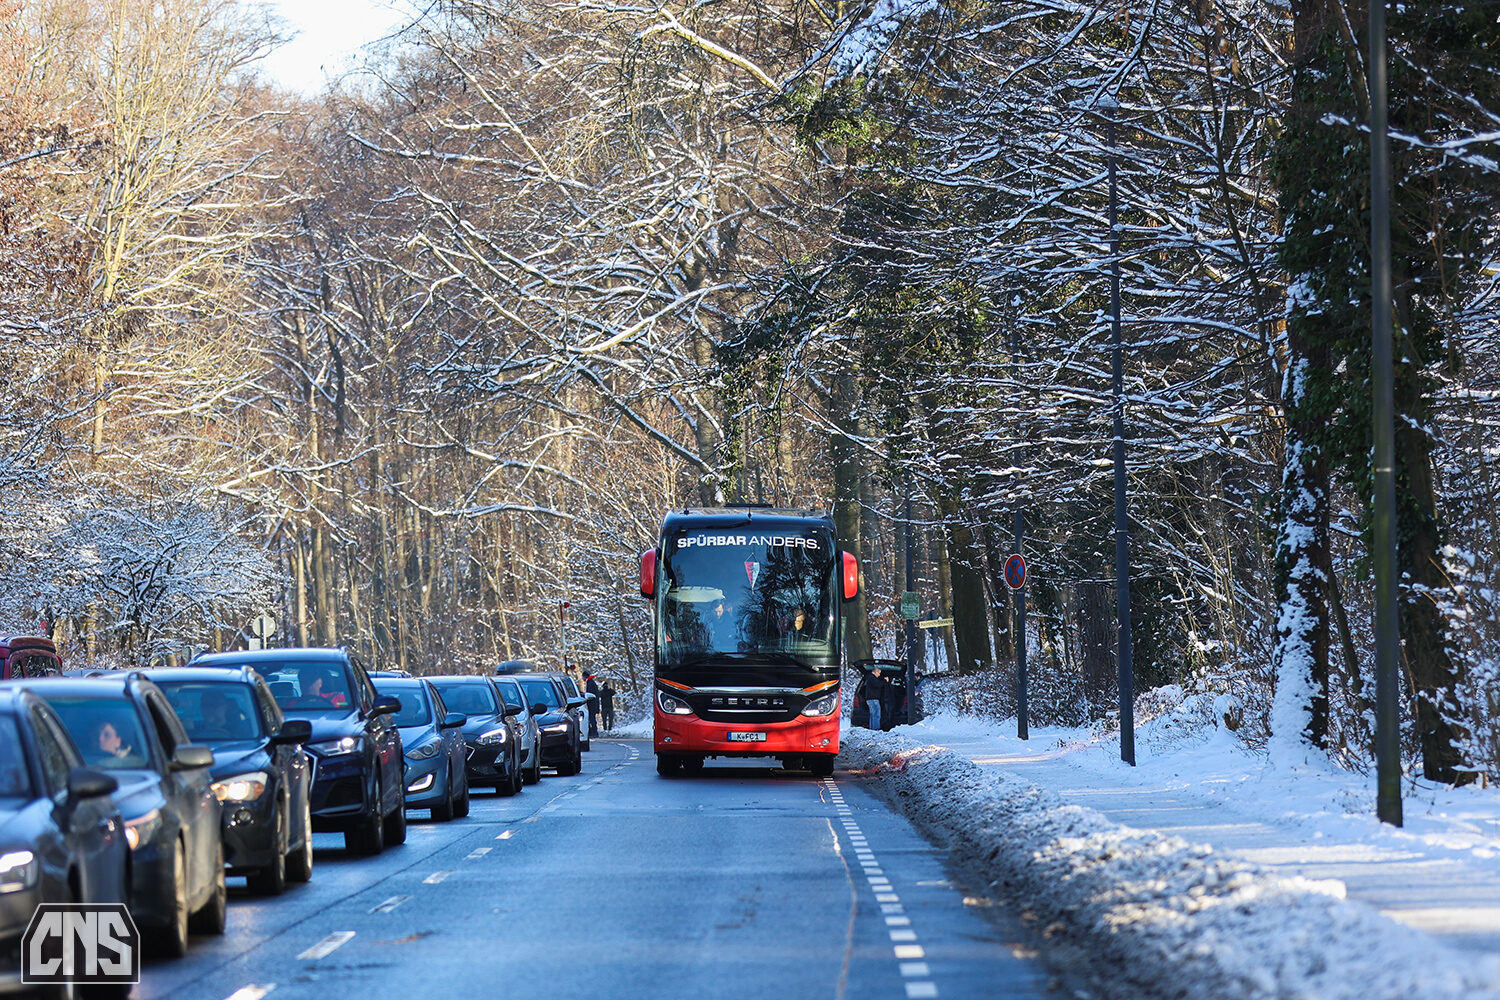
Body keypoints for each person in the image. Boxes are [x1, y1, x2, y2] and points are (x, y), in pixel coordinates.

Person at [585, 673, 600, 739]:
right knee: (592, 719)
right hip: (594, 705)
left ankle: (594, 732)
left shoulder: (590, 683)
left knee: (592, 719)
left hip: (591, 705)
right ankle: (594, 732)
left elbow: (590, 694)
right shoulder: (591, 682)